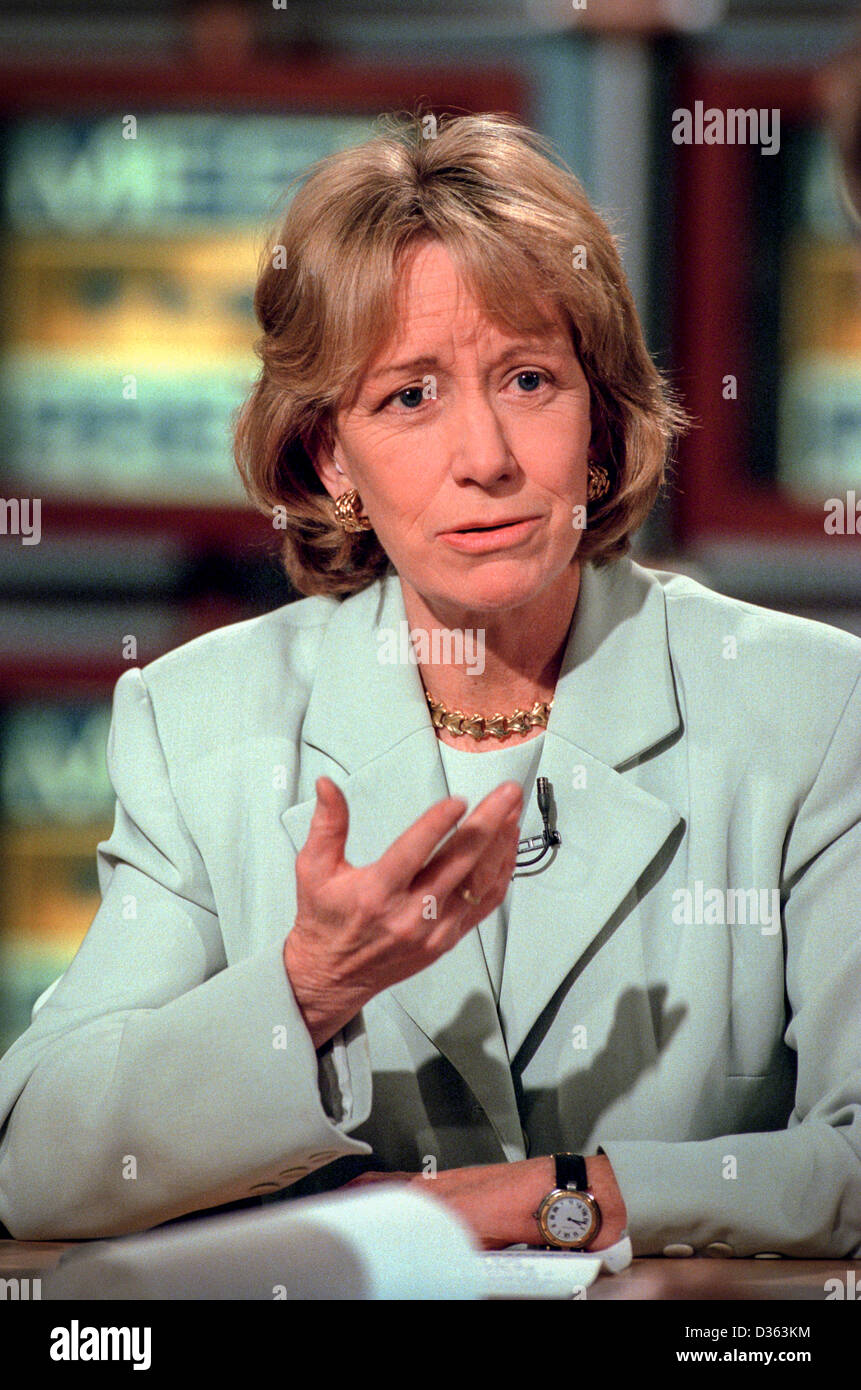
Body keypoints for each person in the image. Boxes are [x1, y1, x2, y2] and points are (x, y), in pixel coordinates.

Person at [0, 113, 859, 1258]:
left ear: (599, 422)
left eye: (528, 378)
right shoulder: (199, 721)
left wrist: (543, 1198)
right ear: (329, 460)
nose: (489, 455)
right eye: (410, 396)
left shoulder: (810, 709)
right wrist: (308, 987)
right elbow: (34, 1161)